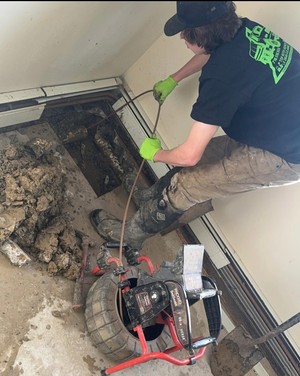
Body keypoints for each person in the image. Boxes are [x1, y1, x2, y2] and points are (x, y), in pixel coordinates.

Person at [90, 1, 300, 251]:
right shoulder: (241, 28)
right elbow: (212, 51)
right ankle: (149, 198)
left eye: (186, 32)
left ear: (202, 36)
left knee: (190, 184)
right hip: (277, 123)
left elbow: (189, 156)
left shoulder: (221, 78)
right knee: (204, 157)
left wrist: (155, 154)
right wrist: (173, 79)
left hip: (286, 154)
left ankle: (131, 236)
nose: (181, 35)